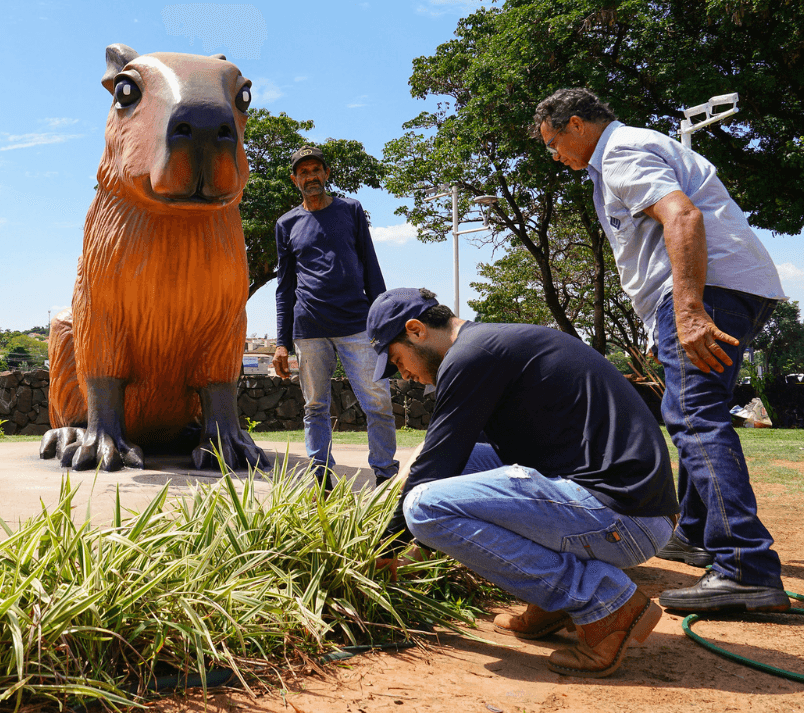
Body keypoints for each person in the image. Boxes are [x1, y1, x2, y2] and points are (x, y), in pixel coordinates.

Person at [534, 88, 790, 614]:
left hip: (709, 290)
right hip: (727, 288)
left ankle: (746, 566)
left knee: (693, 417)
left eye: (554, 143)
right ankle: (695, 535)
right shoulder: (628, 151)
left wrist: (689, 311)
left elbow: (683, 218)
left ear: (577, 125)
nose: (554, 156)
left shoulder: (621, 152)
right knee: (697, 409)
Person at [369, 287, 679, 678]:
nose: (406, 376)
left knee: (423, 505)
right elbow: (446, 458)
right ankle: (550, 601)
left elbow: (436, 469)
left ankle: (603, 601)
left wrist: (386, 548)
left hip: (624, 516)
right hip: (624, 505)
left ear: (415, 330)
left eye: (398, 361)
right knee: (432, 469)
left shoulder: (471, 356)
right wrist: (420, 540)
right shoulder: (491, 345)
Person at [272, 146, 399, 487]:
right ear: (294, 179)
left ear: (326, 174)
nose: (310, 176)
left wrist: (385, 324)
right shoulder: (286, 224)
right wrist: (282, 343)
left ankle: (385, 478)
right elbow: (285, 288)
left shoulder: (351, 210)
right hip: (309, 328)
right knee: (315, 406)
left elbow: (371, 267)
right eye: (303, 172)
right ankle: (321, 480)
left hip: (357, 324)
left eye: (316, 170)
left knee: (378, 403)